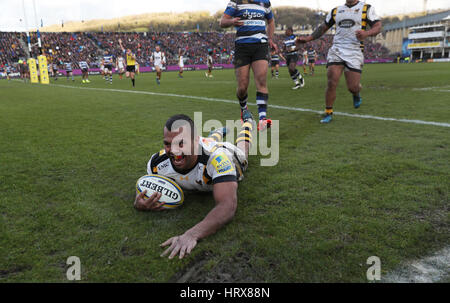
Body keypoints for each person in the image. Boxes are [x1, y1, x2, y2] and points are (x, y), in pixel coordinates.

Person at [134, 110, 255, 259]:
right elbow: (145, 191)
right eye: (167, 144)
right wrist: (139, 202)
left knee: (242, 148)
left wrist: (192, 234)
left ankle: (248, 123)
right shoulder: (156, 163)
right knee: (205, 143)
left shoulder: (218, 160)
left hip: (229, 154)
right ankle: (217, 133)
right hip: (201, 145)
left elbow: (227, 205)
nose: (174, 151)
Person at [296, 0, 382, 123]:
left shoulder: (366, 8)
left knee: (352, 87)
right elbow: (322, 28)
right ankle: (328, 112)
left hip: (354, 50)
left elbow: (378, 26)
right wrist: (307, 39)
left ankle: (356, 93)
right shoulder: (336, 11)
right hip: (337, 49)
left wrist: (366, 33)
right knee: (332, 81)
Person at [220, 0, 277, 131]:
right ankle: (244, 109)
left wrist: (270, 39)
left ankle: (262, 119)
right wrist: (232, 21)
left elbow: (271, 21)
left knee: (261, 80)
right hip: (242, 46)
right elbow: (222, 22)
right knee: (242, 87)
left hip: (260, 45)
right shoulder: (236, 2)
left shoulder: (265, 2)